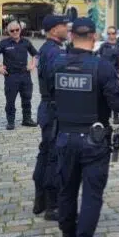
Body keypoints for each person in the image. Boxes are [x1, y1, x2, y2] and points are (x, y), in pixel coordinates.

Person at [50, 17, 119, 237]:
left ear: (72, 36)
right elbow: (118, 103)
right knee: (92, 195)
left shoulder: (56, 63)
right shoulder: (101, 66)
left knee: (66, 190)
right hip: (93, 139)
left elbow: (49, 94)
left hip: (64, 136)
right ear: (93, 37)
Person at [33, 14, 69, 222]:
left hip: (48, 107)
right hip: (55, 109)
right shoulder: (54, 52)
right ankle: (52, 204)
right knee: (54, 156)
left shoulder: (47, 49)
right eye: (63, 25)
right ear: (54, 29)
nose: (66, 28)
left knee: (45, 153)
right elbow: (57, 81)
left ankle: (40, 199)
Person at [0, 21, 39, 130]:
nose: (15, 32)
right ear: (8, 32)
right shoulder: (4, 43)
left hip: (25, 75)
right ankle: (10, 121)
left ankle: (27, 119)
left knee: (27, 98)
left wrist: (33, 65)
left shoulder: (26, 42)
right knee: (10, 100)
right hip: (11, 76)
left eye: (17, 30)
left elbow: (35, 54)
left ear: (20, 29)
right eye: (12, 30)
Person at [97, 26, 119, 124]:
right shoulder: (103, 46)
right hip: (104, 74)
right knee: (103, 94)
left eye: (113, 33)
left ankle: (116, 115)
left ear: (116, 34)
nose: (111, 35)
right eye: (109, 33)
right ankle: (105, 114)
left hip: (115, 74)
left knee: (115, 94)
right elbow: (98, 58)